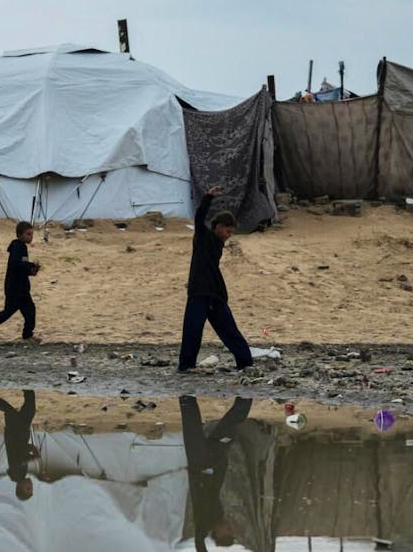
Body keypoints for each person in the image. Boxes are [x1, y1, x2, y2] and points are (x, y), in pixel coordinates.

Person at [178, 186, 253, 372]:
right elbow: (199, 217)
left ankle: (245, 363)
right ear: (218, 227)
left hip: (216, 294)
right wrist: (208, 198)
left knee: (229, 330)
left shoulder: (218, 244)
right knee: (193, 330)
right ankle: (187, 365)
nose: (229, 236)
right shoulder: (203, 238)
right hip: (199, 292)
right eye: (228, 232)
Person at [179, 394, 252, 551]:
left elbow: (199, 543)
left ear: (218, 534)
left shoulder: (204, 523)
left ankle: (186, 397)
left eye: (228, 531)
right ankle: (245, 399)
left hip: (200, 465)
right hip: (216, 458)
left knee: (192, 427)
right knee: (230, 427)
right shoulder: (218, 517)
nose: (230, 527)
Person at [0, 221, 41, 344]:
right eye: (28, 234)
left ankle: (27, 335)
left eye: (32, 234)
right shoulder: (17, 246)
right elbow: (16, 264)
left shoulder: (22, 247)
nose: (31, 237)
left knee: (30, 311)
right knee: (6, 314)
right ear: (19, 234)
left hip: (22, 288)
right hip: (15, 289)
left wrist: (32, 270)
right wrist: (31, 265)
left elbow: (21, 268)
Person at [0, 388, 39, 500]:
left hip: (15, 432)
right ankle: (27, 388)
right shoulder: (22, 474)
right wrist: (32, 450)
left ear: (20, 487)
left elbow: (18, 460)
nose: (31, 486)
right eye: (31, 488)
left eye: (28, 488)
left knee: (9, 410)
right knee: (29, 409)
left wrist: (32, 457)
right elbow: (21, 451)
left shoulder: (16, 475)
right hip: (21, 431)